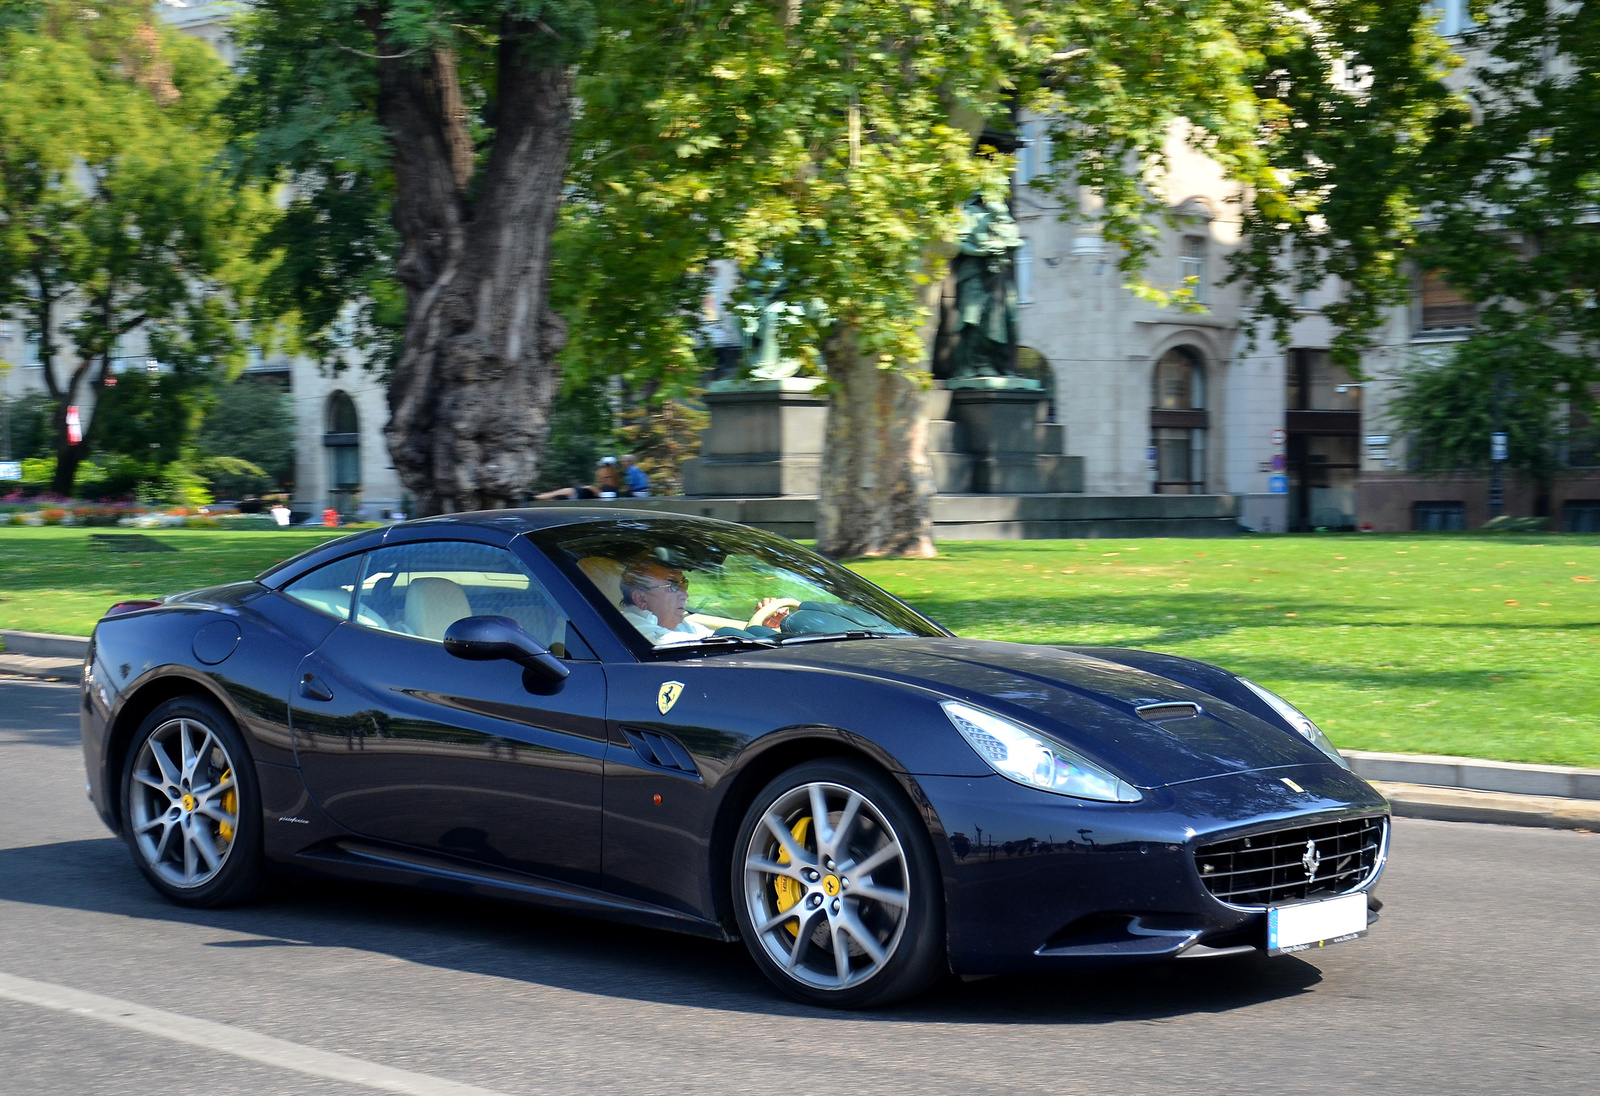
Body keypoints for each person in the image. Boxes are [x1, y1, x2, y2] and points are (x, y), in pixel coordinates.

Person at [618, 556, 712, 645]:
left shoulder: (680, 625)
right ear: (641, 599)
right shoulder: (629, 627)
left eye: (684, 583)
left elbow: (717, 638)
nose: (685, 595)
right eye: (672, 586)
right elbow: (668, 643)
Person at [535, 458, 632, 501]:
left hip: (581, 494)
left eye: (605, 467)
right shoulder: (606, 483)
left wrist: (591, 488)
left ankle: (538, 497)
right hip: (581, 494)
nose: (602, 470)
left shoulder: (611, 486)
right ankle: (538, 497)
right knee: (557, 495)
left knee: (561, 494)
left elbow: (606, 497)